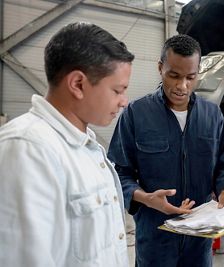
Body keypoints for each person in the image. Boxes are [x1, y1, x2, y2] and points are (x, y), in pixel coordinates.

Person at [0, 22, 135, 266]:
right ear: (78, 84)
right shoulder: (27, 150)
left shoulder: (86, 147)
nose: (124, 101)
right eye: (118, 90)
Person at [107, 34, 224, 267]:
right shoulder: (136, 114)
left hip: (200, 238)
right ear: (160, 68)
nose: (182, 86)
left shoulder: (212, 115)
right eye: (174, 75)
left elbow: (223, 164)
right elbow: (119, 173)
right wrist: (145, 198)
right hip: (156, 235)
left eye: (190, 77)